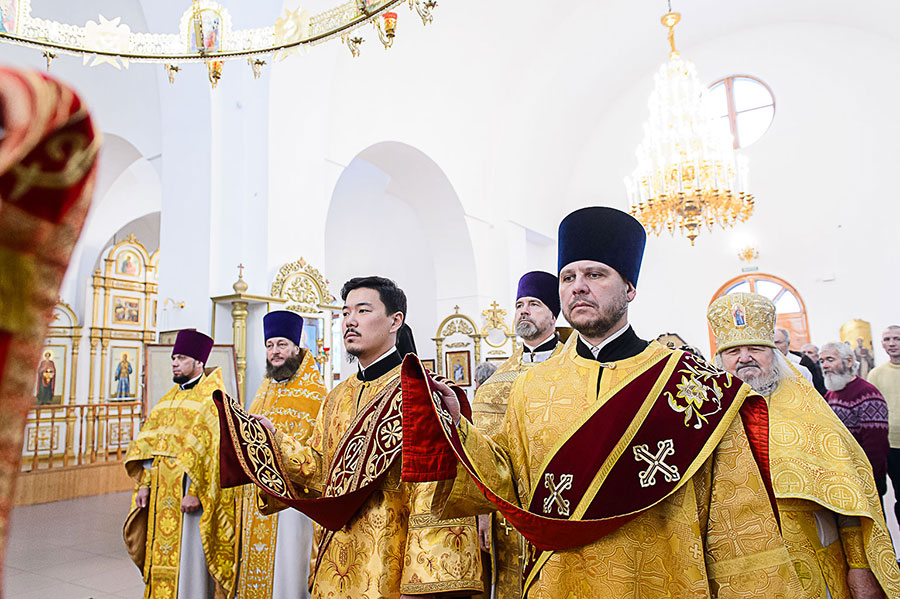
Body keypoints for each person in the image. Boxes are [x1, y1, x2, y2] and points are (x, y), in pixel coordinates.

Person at [402, 207, 799, 598]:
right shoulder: (531, 386)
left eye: (595, 275)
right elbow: (508, 481)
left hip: (666, 578)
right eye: (568, 277)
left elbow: (736, 516)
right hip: (559, 583)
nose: (578, 286)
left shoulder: (692, 383)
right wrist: (458, 428)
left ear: (630, 289)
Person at [217, 276, 483, 599]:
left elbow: (435, 496)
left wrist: (420, 586)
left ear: (395, 321)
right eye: (345, 313)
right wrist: (274, 440)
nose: (350, 321)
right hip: (334, 565)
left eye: (363, 310)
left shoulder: (419, 392)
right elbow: (319, 470)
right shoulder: (337, 398)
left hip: (388, 567)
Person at [709, 292, 900, 598]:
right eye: (733, 351)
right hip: (736, 573)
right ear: (720, 360)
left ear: (774, 355)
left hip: (810, 559)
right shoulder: (704, 419)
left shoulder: (810, 413)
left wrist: (859, 566)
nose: (744, 358)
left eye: (756, 348)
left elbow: (848, 497)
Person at [124, 329, 239, 599]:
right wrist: (144, 485)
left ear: (199, 362)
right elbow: (150, 449)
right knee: (160, 554)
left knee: (189, 559)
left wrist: (195, 492)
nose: (175, 363)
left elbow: (214, 454)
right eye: (174, 358)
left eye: (182, 358)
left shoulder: (212, 400)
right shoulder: (167, 399)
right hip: (161, 494)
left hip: (190, 494)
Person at [471, 271, 563, 599]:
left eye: (534, 304)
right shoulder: (496, 382)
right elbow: (483, 454)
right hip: (508, 514)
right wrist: (483, 512)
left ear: (553, 315)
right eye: (519, 305)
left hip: (562, 503)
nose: (524, 311)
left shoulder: (574, 368)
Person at [237, 311, 326, 599]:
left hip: (293, 500)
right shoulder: (264, 387)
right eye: (270, 345)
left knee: (288, 568)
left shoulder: (315, 393)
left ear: (296, 349)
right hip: (258, 495)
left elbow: (318, 453)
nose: (275, 351)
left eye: (282, 344)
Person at [822, 341, 891, 498]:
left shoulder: (867, 394)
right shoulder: (832, 393)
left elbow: (875, 445)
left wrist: (868, 478)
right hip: (844, 475)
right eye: (822, 361)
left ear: (849, 361)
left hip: (865, 477)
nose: (825, 365)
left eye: (830, 360)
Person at [868, 325, 900, 526]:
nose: (892, 343)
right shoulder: (876, 374)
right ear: (882, 344)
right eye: (887, 339)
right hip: (893, 445)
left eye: (897, 338)